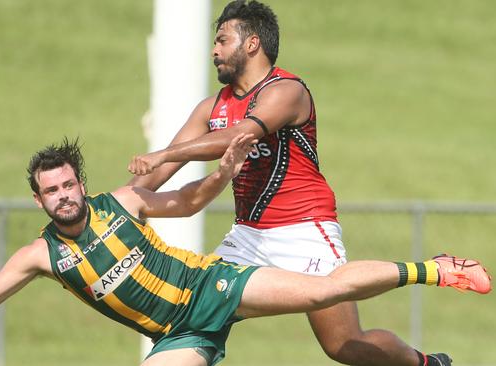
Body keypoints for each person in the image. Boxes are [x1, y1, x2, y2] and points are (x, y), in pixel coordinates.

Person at [0, 136, 490, 366]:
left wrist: (223, 172)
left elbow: (191, 201)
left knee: (325, 292)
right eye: (51, 191)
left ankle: (434, 268)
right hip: (177, 338)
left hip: (213, 288)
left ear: (81, 186)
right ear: (39, 202)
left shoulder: (123, 204)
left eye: (69, 185)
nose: (63, 197)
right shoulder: (43, 257)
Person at [127, 1, 476, 365]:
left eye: (222, 39)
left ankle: (425, 363)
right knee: (195, 311)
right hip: (247, 235)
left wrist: (164, 154)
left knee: (343, 345)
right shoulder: (210, 107)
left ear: (252, 43)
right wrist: (117, 207)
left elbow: (240, 134)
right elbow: (158, 171)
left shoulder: (287, 91)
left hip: (305, 228)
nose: (214, 50)